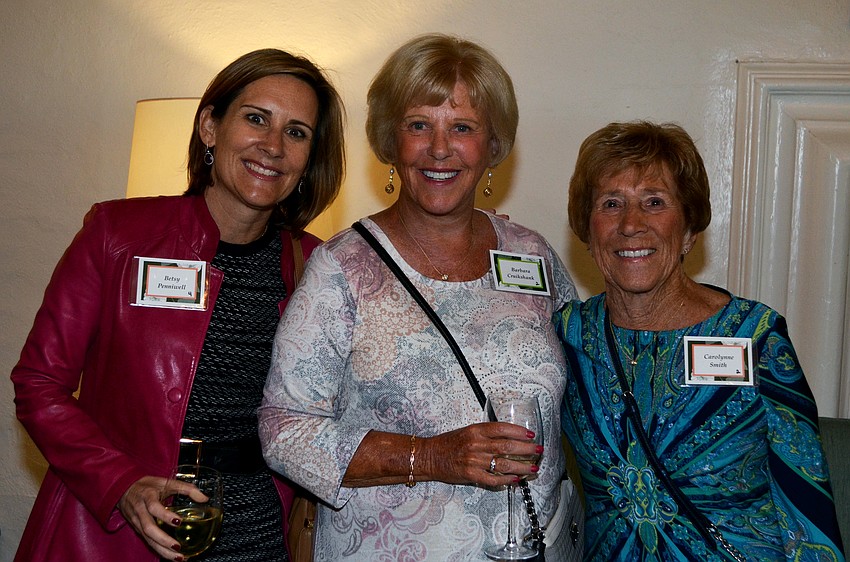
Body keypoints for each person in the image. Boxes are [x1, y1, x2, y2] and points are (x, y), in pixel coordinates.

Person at [11, 48, 345, 562]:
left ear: (308, 159)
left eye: (296, 132)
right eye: (256, 119)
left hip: (256, 531)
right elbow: (38, 383)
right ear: (210, 127)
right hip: (124, 528)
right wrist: (121, 482)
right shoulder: (117, 235)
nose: (273, 146)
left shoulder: (318, 266)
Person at [258, 33, 579, 561]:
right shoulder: (342, 268)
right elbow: (283, 431)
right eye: (418, 125)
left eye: (463, 127)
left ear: (493, 145)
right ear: (391, 140)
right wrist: (433, 456)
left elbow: (588, 391)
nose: (439, 148)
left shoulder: (532, 254)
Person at [555, 120, 845, 560]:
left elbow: (806, 500)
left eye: (654, 202)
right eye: (611, 203)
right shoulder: (568, 336)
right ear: (588, 231)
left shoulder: (753, 337)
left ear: (690, 229)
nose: (631, 224)